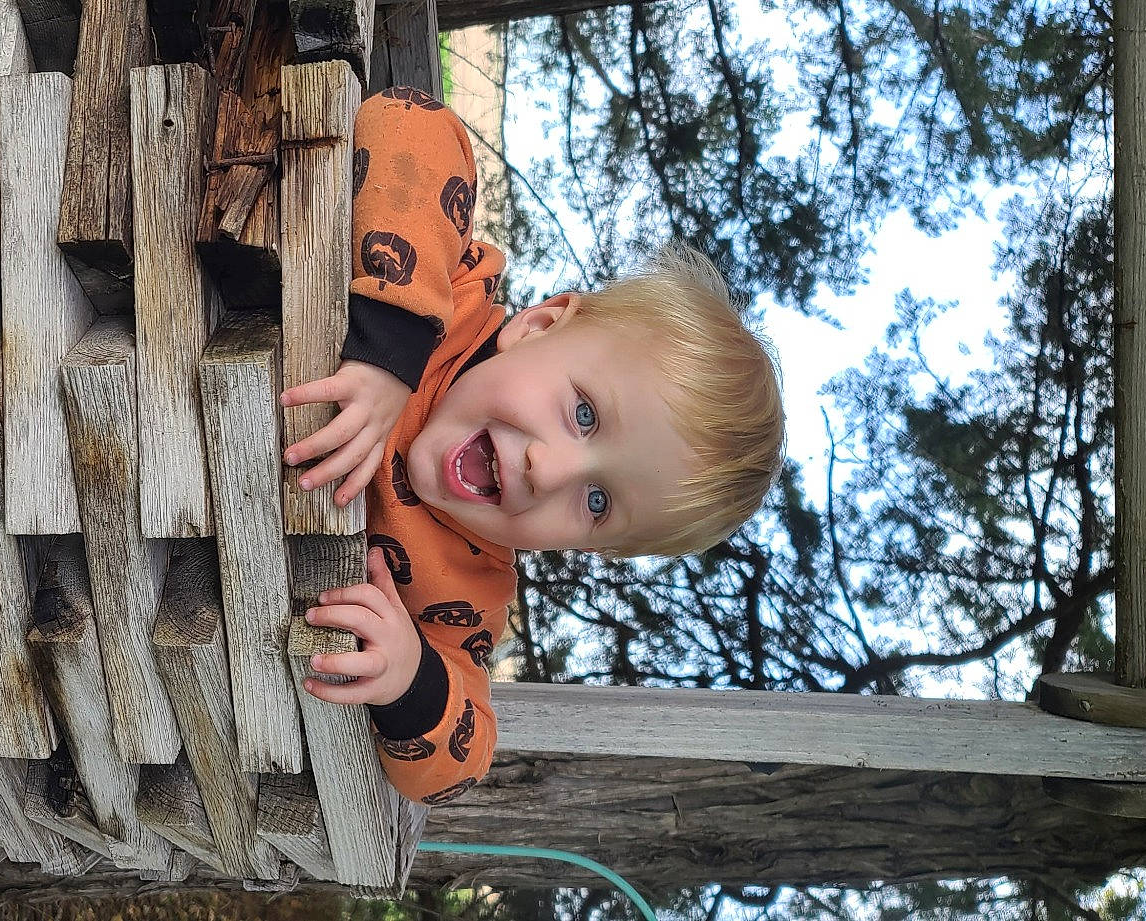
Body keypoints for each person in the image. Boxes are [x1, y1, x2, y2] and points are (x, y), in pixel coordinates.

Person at [279, 86, 785, 805]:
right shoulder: (447, 301)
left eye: (599, 501)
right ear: (540, 326)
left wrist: (409, 676)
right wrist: (391, 347)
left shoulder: (466, 593)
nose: (550, 468)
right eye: (584, 412)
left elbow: (463, 759)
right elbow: (412, 121)